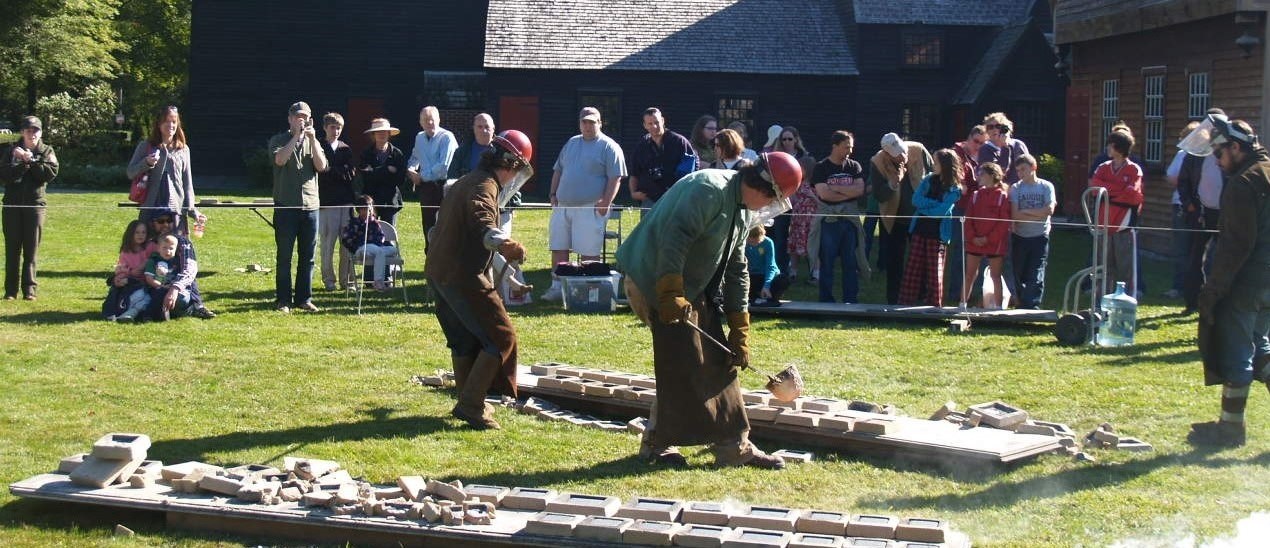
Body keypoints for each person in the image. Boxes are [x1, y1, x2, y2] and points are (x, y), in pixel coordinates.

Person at [615, 152, 802, 470]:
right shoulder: (709, 189)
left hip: (688, 287)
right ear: (764, 189)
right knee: (681, 359)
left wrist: (739, 329)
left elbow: (737, 269)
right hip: (653, 279)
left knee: (720, 361)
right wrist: (670, 293)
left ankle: (733, 446)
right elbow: (676, 237)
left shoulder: (742, 210)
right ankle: (656, 446)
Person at [425, 130, 534, 430]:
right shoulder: (484, 187)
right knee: (501, 337)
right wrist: (505, 243)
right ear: (512, 163)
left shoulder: (466, 180)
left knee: (463, 340)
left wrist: (509, 277)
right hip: (461, 275)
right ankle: (472, 405)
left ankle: (467, 399)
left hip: (439, 272)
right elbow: (482, 221)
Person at [1188, 116, 1270, 447]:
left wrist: (1213, 291)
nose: (1219, 162)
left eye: (1220, 154)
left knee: (1237, 353)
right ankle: (1228, 425)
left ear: (1236, 148)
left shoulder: (1243, 184)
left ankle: (1230, 429)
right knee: (1260, 346)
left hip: (1247, 281)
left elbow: (1235, 246)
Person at [541, 107, 627, 302]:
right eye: (584, 122)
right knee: (559, 246)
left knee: (589, 251)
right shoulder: (571, 143)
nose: (588, 126)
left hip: (591, 207)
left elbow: (616, 177)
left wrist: (606, 202)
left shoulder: (609, 146)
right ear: (580, 123)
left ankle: (589, 290)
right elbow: (558, 170)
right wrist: (552, 194)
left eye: (592, 122)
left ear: (600, 123)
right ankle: (557, 287)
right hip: (563, 206)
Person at [268, 101, 328, 313]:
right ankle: (283, 300)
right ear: (290, 119)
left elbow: (321, 166)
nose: (302, 120)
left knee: (308, 257)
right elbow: (280, 160)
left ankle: (304, 298)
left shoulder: (314, 141)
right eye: (298, 116)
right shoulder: (279, 140)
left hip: (310, 207)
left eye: (306, 116)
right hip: (286, 206)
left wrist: (312, 140)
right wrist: (296, 137)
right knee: (284, 255)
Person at [1172, 109, 1228, 313]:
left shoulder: (1228, 150)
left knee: (1222, 259)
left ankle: (1219, 302)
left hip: (1224, 213)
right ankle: (1192, 302)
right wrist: (1189, 205)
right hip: (1200, 212)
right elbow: (1183, 181)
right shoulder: (1195, 153)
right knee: (1195, 259)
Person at [870, 132, 932, 304]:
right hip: (894, 218)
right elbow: (879, 195)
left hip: (920, 217)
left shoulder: (918, 149)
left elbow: (935, 176)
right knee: (894, 261)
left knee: (922, 259)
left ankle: (923, 297)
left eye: (903, 150)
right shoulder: (877, 162)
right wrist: (892, 184)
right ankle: (894, 299)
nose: (903, 156)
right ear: (887, 154)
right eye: (897, 154)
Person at [1, 116, 57, 301]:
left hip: (35, 205)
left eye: (35, 130)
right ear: (22, 132)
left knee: (31, 249)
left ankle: (30, 290)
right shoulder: (11, 151)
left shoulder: (46, 151)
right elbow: (4, 175)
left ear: (40, 132)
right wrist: (22, 164)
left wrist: (30, 160)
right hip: (12, 205)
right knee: (12, 249)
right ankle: (10, 291)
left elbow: (48, 174)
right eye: (28, 130)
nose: (31, 133)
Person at [127, 105, 205, 236]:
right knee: (150, 251)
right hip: (151, 210)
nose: (171, 125)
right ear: (159, 124)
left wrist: (192, 210)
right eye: (166, 121)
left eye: (174, 121)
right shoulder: (146, 146)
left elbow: (187, 184)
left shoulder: (183, 150)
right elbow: (130, 172)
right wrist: (146, 163)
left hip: (176, 212)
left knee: (176, 251)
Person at [899, 148, 962, 306]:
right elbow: (916, 200)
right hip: (920, 229)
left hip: (938, 234)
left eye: (936, 161)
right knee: (912, 269)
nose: (933, 164)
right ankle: (905, 303)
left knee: (935, 272)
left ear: (945, 164)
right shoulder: (928, 179)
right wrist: (933, 204)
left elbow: (941, 212)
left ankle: (934, 305)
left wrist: (926, 207)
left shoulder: (955, 188)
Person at [812, 130, 868, 303]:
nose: (849, 151)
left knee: (850, 262)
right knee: (827, 262)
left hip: (849, 221)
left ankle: (850, 299)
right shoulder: (821, 167)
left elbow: (860, 190)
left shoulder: (854, 166)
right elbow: (824, 195)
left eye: (851, 148)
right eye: (846, 147)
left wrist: (835, 188)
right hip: (829, 222)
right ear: (835, 146)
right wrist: (847, 193)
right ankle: (826, 300)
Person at [1089, 131, 1144, 298]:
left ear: (1118, 148)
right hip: (1104, 224)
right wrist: (1119, 189)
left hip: (1123, 226)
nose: (1108, 148)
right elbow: (1094, 188)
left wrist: (1108, 191)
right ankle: (1102, 302)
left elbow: (1134, 196)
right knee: (1104, 267)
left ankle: (1127, 300)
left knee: (1127, 268)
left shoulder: (1134, 170)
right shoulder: (1103, 167)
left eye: (1111, 144)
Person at [406, 105, 458, 252]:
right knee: (428, 225)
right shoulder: (419, 137)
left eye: (432, 119)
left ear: (439, 120)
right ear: (420, 122)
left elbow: (443, 168)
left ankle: (447, 259)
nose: (429, 123)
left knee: (446, 224)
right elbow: (415, 157)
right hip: (426, 189)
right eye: (426, 120)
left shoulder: (447, 137)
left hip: (445, 187)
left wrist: (420, 176)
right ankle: (430, 258)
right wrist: (410, 170)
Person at [961, 163, 1011, 309]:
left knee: (995, 275)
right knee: (969, 274)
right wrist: (972, 237)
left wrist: (988, 239)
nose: (978, 177)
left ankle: (998, 308)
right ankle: (962, 304)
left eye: (981, 174)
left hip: (994, 243)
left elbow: (1004, 222)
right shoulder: (976, 195)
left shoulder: (1002, 196)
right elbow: (968, 218)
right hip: (974, 241)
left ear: (992, 175)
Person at [1010, 154, 1056, 309]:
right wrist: (1038, 212)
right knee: (1019, 271)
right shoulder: (1016, 188)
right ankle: (1021, 302)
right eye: (1018, 170)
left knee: (1036, 270)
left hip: (1040, 235)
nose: (1020, 173)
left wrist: (1026, 212)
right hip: (1020, 235)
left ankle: (1032, 304)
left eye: (1023, 169)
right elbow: (1015, 215)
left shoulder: (1046, 186)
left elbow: (1049, 210)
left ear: (1033, 167)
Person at [317, 112, 357, 291]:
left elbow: (350, 174)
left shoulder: (345, 149)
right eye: (333, 127)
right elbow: (319, 172)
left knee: (347, 244)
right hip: (327, 203)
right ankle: (329, 280)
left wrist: (331, 170)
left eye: (339, 128)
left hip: (346, 203)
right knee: (327, 243)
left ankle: (347, 281)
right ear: (325, 127)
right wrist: (338, 171)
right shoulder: (318, 145)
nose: (336, 131)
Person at [143, 209, 205, 321]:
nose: (166, 224)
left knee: (181, 299)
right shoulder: (148, 243)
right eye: (161, 221)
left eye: (169, 220)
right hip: (153, 287)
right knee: (144, 297)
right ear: (153, 223)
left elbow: (190, 269)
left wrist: (174, 288)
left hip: (178, 289)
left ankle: (185, 308)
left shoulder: (183, 242)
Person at [947, 125, 987, 303]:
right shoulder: (957, 154)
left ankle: (978, 294)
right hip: (961, 208)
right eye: (976, 141)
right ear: (969, 138)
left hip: (981, 209)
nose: (978, 146)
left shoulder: (985, 155)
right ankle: (957, 293)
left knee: (982, 251)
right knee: (961, 251)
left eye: (982, 143)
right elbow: (961, 187)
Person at [628, 107, 696, 207]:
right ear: (645, 125)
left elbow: (692, 170)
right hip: (649, 199)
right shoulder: (642, 146)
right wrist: (633, 193)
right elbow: (634, 174)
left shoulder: (679, 142)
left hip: (676, 198)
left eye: (657, 122)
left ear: (663, 121)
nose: (654, 126)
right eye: (650, 124)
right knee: (650, 223)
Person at [776, 126, 819, 283]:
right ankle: (784, 271)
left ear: (796, 140)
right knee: (784, 239)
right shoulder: (777, 156)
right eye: (784, 139)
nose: (787, 142)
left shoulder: (804, 157)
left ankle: (814, 272)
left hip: (806, 215)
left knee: (810, 243)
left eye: (790, 139)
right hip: (786, 206)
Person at [341, 195, 399, 292]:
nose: (365, 212)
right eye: (363, 209)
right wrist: (356, 248)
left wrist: (377, 244)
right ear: (358, 210)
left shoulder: (375, 223)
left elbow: (381, 237)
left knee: (393, 250)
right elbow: (346, 239)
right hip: (361, 250)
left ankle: (382, 265)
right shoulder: (354, 223)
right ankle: (378, 282)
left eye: (368, 209)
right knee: (379, 252)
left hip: (376, 249)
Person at [358, 118, 407, 227]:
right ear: (373, 134)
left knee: (389, 236)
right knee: (369, 234)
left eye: (384, 131)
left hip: (390, 201)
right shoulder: (365, 153)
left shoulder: (397, 154)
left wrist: (374, 171)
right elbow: (366, 177)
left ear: (389, 134)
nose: (381, 134)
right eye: (378, 132)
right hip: (371, 201)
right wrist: (387, 170)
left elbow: (400, 179)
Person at [104, 220, 154, 320]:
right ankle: (111, 312)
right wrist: (120, 279)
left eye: (143, 232)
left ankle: (131, 313)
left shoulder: (151, 247)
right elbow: (122, 269)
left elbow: (156, 258)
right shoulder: (126, 252)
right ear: (131, 234)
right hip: (130, 282)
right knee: (117, 290)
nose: (141, 235)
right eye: (137, 232)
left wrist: (144, 265)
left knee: (145, 298)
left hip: (147, 282)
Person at [143, 234, 191, 320]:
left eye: (171, 248)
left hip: (172, 288)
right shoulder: (153, 260)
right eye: (164, 248)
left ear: (176, 250)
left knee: (181, 298)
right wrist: (161, 286)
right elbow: (149, 278)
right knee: (158, 295)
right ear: (158, 248)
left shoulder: (177, 262)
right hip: (156, 287)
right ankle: (148, 315)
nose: (168, 251)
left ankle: (168, 312)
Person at [745, 225, 787, 306]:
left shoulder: (768, 242)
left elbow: (770, 266)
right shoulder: (742, 243)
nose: (754, 244)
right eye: (751, 242)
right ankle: (754, 295)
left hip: (766, 275)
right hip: (751, 276)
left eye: (757, 241)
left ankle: (770, 297)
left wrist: (766, 286)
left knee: (783, 279)